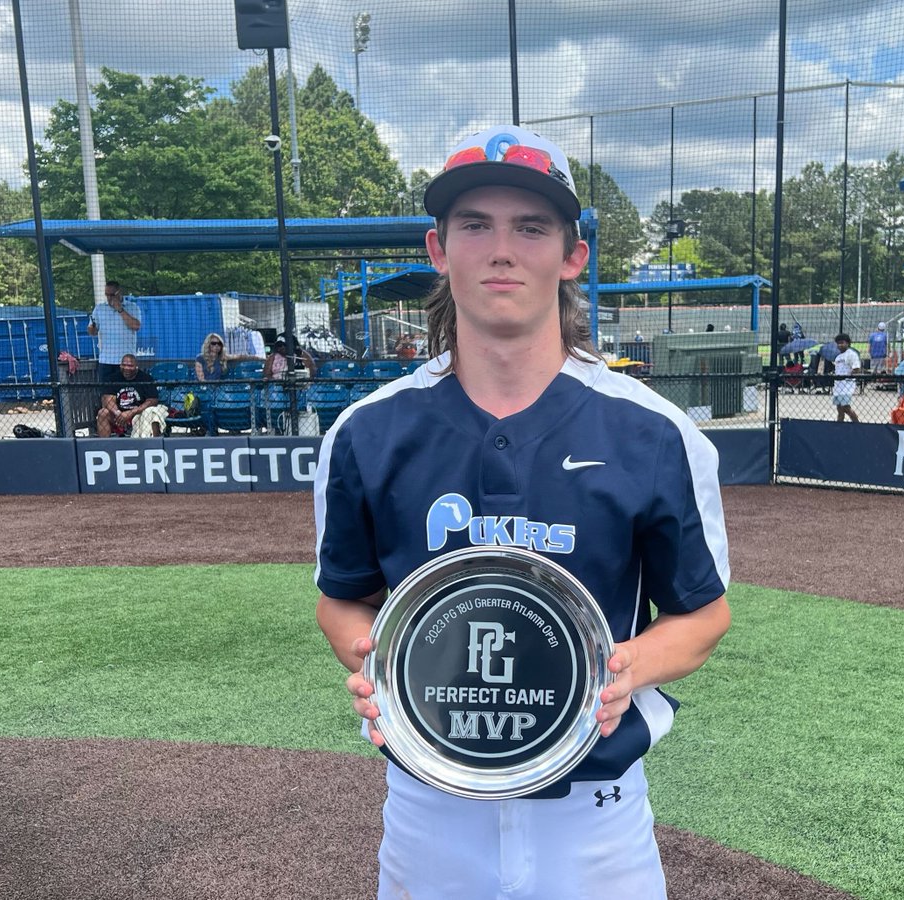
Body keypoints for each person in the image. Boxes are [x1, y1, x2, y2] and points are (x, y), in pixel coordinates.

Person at [313, 124, 731, 899]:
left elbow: (702, 617)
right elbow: (343, 599)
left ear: (572, 255)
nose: (501, 249)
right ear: (438, 248)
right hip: (428, 811)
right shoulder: (366, 432)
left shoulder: (654, 433)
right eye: (475, 224)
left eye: (531, 227)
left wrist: (617, 673)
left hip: (595, 823)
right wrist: (377, 664)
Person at [95, 353, 168, 437]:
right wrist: (118, 413)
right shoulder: (112, 379)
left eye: (130, 366)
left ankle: (152, 445)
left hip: (139, 414)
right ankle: (104, 446)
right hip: (118, 416)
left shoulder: (146, 379)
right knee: (102, 412)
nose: (126, 368)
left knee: (152, 412)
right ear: (120, 365)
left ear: (136, 366)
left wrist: (131, 413)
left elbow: (153, 401)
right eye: (124, 365)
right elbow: (107, 400)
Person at [87, 281, 142, 384]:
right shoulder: (99, 308)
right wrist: (92, 327)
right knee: (106, 393)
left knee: (127, 393)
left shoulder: (132, 307)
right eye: (106, 295)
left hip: (126, 361)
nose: (109, 298)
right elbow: (92, 332)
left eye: (112, 295)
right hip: (106, 360)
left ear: (119, 292)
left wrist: (120, 309)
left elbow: (136, 326)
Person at [832, 333, 861, 422]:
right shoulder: (838, 357)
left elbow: (856, 368)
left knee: (846, 407)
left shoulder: (851, 354)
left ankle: (857, 425)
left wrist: (848, 376)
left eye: (842, 342)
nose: (840, 345)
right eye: (838, 343)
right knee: (839, 409)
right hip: (838, 386)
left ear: (847, 343)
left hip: (847, 386)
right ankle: (839, 426)